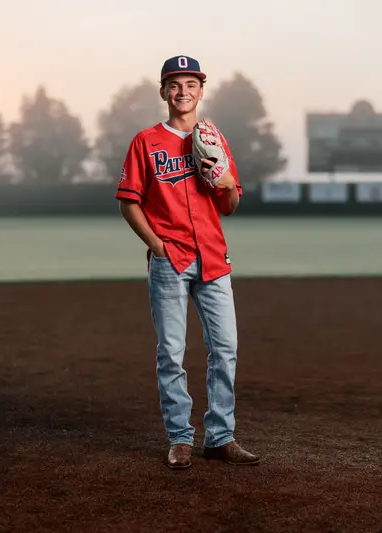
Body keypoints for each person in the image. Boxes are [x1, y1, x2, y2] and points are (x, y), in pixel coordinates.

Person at [114, 55, 260, 470]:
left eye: (190, 84)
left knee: (226, 348)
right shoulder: (146, 142)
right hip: (170, 259)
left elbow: (229, 205)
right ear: (163, 92)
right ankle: (180, 438)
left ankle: (220, 437)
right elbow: (129, 203)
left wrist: (227, 179)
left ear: (201, 90)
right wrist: (156, 245)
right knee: (172, 353)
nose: (183, 92)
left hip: (213, 256)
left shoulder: (213, 138)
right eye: (174, 85)